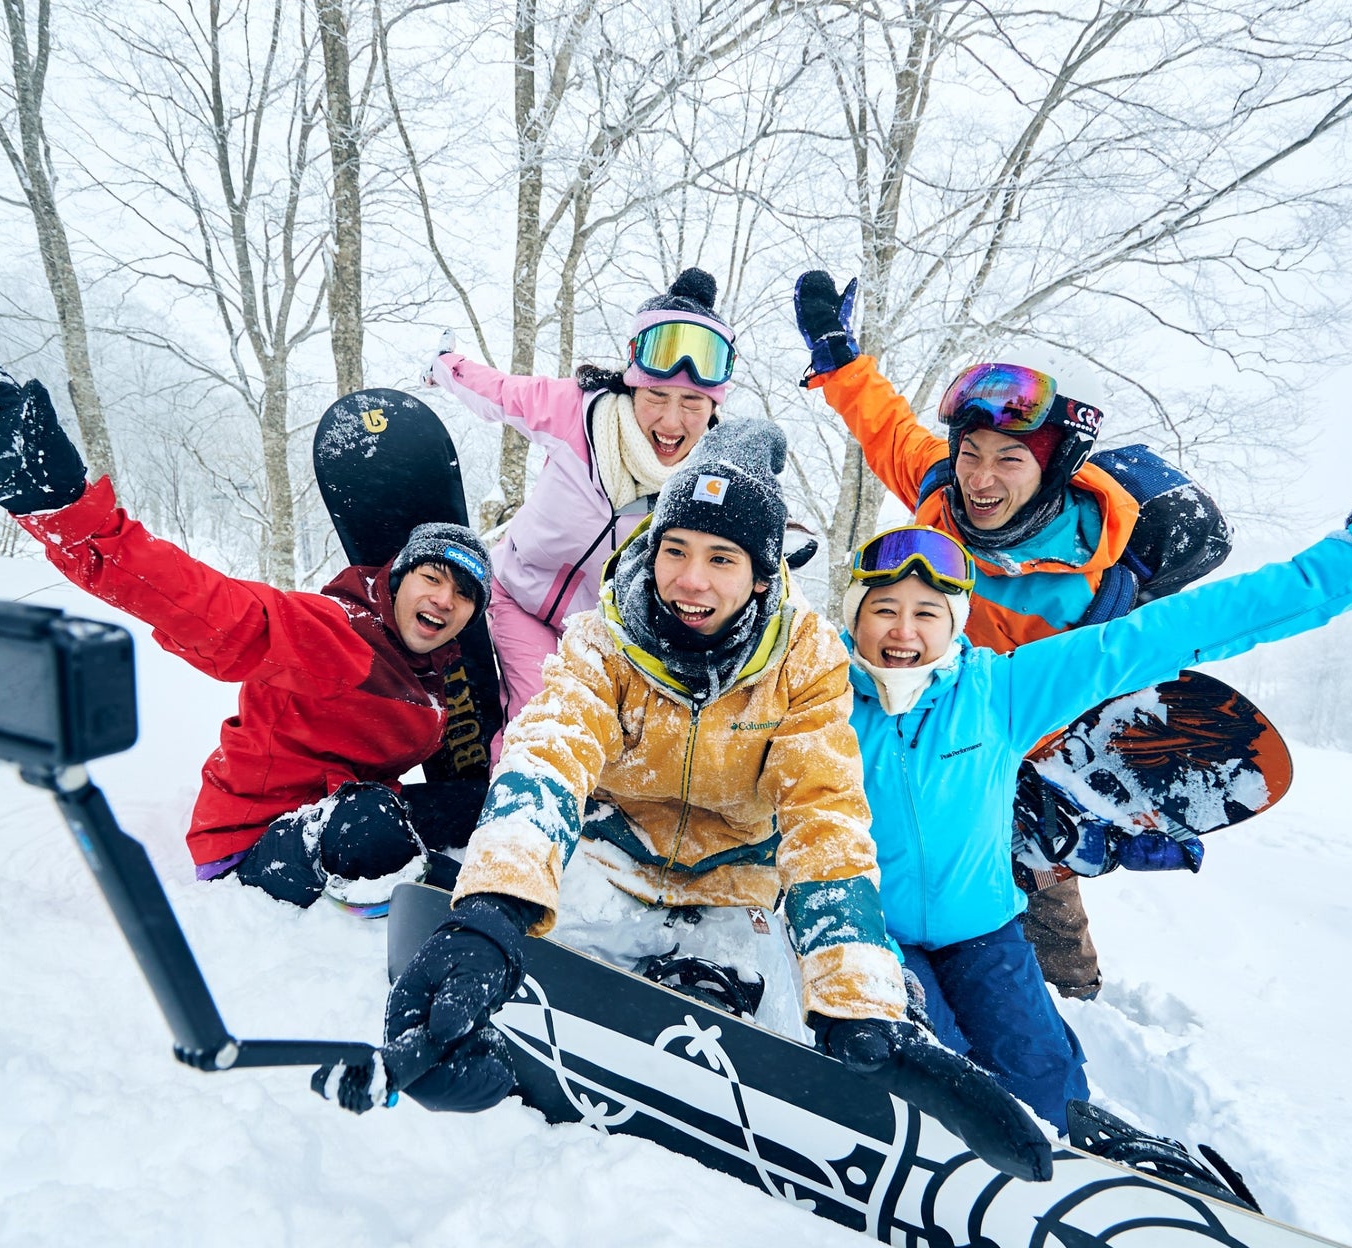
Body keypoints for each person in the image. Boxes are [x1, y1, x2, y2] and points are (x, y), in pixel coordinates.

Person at [341, 419, 1050, 1179]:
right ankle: (516, 1033)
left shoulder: (805, 661)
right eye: (675, 549)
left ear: (762, 575)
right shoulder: (603, 638)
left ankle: (776, 997)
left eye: (722, 558)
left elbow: (826, 813)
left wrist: (856, 994)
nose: (690, 579)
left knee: (773, 985)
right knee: (543, 945)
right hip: (608, 866)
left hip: (733, 890)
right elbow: (549, 755)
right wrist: (493, 910)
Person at [837, 482, 1352, 1135]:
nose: (904, 631)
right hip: (875, 932)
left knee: (1042, 1075)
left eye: (926, 611)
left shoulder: (1002, 690)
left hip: (984, 932)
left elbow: (1179, 628)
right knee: (937, 1070)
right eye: (884, 608)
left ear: (955, 622)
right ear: (855, 616)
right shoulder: (820, 702)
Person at [0, 346, 493, 914]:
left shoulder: (432, 672)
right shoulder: (333, 633)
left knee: (476, 805)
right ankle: (392, 899)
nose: (445, 599)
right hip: (255, 841)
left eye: (465, 595)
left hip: (341, 807)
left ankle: (421, 866)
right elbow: (201, 603)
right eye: (433, 577)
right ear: (397, 578)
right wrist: (64, 509)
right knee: (373, 827)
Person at [793, 271, 1235, 1000]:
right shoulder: (943, 494)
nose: (981, 478)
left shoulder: (1085, 589)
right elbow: (885, 425)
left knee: (1028, 871)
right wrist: (837, 354)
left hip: (1014, 740)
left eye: (1009, 459)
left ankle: (1072, 991)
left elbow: (1092, 691)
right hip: (921, 709)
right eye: (971, 453)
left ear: (1052, 466)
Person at [427, 269, 736, 750]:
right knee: (539, 726)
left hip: (602, 637)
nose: (671, 422)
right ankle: (508, 820)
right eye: (657, 396)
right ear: (634, 385)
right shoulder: (576, 413)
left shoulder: (707, 486)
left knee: (605, 749)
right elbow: (499, 392)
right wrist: (446, 366)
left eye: (693, 402)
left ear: (714, 406)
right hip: (520, 599)